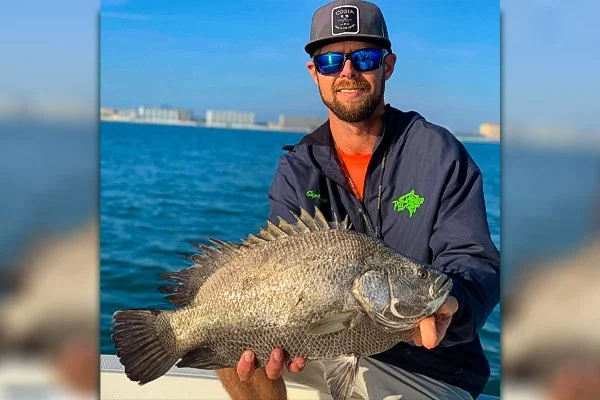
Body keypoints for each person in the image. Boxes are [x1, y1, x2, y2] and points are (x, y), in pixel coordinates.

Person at [217, 1, 500, 399]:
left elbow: (474, 262)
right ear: (315, 73)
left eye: (363, 57)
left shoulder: (438, 154)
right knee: (229, 347)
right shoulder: (297, 169)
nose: (348, 72)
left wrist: (454, 308)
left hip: (427, 366)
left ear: (388, 65)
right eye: (331, 61)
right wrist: (280, 337)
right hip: (324, 342)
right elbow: (276, 261)